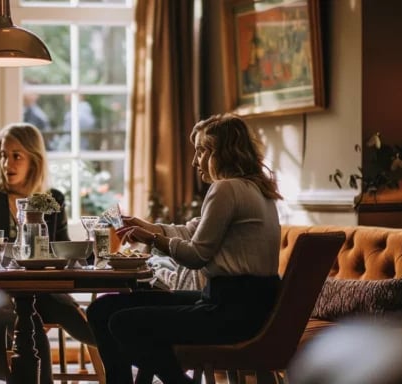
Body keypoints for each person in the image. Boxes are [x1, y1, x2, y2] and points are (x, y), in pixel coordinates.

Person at [86, 113, 283, 384]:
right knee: (102, 309)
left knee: (121, 322)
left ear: (222, 152)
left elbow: (195, 255)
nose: (194, 160)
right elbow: (193, 232)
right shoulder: (256, 189)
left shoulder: (226, 189)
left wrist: (152, 239)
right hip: (249, 306)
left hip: (231, 313)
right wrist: (147, 226)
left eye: (201, 151)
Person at [0, 123, 95, 383]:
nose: (8, 162)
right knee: (27, 318)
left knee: (79, 321)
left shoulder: (52, 198)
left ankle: (125, 345)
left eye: (16, 155)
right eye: (3, 154)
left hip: (43, 290)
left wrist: (96, 248)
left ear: (34, 159)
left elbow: (62, 249)